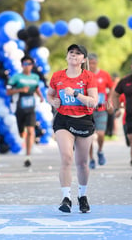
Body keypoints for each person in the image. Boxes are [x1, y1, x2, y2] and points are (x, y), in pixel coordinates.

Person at [46, 44, 98, 213]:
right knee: (67, 157)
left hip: (83, 121)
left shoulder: (89, 76)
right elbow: (50, 94)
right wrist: (53, 102)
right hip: (64, 120)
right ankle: (66, 198)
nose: (73, 56)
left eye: (78, 54)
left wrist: (76, 94)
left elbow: (93, 101)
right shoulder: (58, 76)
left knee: (82, 163)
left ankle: (82, 196)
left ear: (83, 59)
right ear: (67, 56)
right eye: (71, 53)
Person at [7, 55, 44, 167]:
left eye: (29, 64)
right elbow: (8, 92)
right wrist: (20, 90)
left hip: (30, 107)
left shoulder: (35, 77)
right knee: (22, 133)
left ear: (32, 66)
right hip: (19, 106)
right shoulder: (16, 77)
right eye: (25, 64)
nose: (27, 66)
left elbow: (36, 87)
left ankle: (28, 156)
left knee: (31, 130)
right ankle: (22, 135)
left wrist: (40, 96)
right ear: (22, 65)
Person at [87, 53, 113, 169]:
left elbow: (112, 87)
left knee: (101, 134)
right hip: (88, 110)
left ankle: (100, 151)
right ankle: (91, 158)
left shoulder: (104, 75)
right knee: (89, 136)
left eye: (94, 63)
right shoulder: (84, 75)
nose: (92, 65)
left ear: (97, 63)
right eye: (90, 63)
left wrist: (110, 100)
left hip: (101, 108)